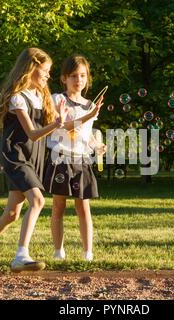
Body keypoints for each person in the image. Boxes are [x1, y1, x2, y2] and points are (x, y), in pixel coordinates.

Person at [0, 47, 68, 272]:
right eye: (45, 70)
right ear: (31, 68)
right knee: (38, 201)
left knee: (12, 214)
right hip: (16, 156)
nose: (48, 75)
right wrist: (56, 124)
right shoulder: (18, 98)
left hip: (33, 158)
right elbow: (33, 133)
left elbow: (53, 129)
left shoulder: (40, 96)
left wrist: (77, 118)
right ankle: (20, 256)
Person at [44, 54, 106, 262]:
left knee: (83, 206)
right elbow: (62, 128)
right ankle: (59, 251)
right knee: (58, 206)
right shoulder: (56, 100)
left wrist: (97, 146)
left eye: (82, 76)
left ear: (87, 79)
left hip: (81, 159)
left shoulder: (90, 105)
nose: (78, 80)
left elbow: (86, 134)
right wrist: (89, 115)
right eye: (73, 76)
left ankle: (88, 253)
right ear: (63, 78)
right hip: (60, 157)